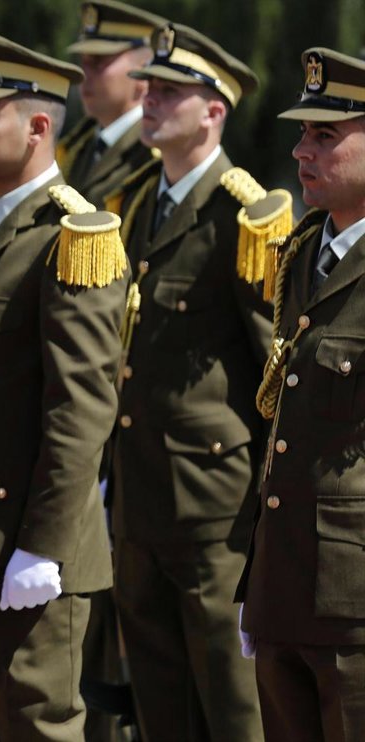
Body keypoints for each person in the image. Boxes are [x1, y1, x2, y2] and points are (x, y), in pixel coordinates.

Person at [0, 28, 128, 742]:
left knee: (38, 730)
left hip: (23, 551)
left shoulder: (73, 236)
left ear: (38, 127)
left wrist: (44, 546)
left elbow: (81, 407)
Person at [105, 22, 272, 741]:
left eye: (171, 92)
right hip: (139, 496)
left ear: (214, 111)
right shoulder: (136, 203)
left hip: (214, 508)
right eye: (149, 87)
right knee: (159, 704)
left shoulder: (246, 216)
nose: (150, 100)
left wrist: (268, 518)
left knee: (232, 705)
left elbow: (273, 373)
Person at [239, 46, 365, 742]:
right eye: (302, 132)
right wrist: (254, 580)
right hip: (284, 588)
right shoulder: (304, 250)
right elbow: (282, 431)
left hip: (355, 606)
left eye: (326, 134)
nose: (300, 150)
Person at [58, 1, 162, 205]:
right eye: (83, 62)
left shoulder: (156, 152)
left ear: (142, 73)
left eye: (98, 62)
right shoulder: (75, 148)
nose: (84, 74)